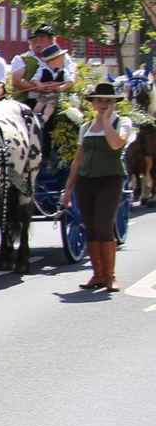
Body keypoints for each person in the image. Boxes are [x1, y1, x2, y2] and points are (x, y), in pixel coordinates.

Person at [63, 81, 134, 292]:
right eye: (99, 101)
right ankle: (98, 274)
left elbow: (116, 144)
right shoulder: (85, 127)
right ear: (92, 104)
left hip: (110, 180)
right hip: (86, 181)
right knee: (91, 227)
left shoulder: (122, 122)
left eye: (108, 101)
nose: (103, 104)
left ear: (114, 103)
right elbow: (78, 159)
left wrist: (105, 120)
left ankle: (110, 276)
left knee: (104, 226)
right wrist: (69, 187)